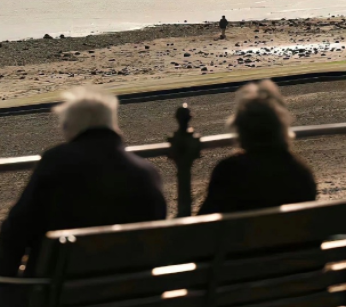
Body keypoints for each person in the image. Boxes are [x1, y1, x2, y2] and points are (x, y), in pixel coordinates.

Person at [0, 86, 167, 280]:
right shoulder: (147, 173)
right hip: (132, 293)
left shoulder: (57, 162)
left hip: (59, 293)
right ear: (112, 124)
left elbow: (16, 232)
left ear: (71, 126)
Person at [199, 80, 317, 215]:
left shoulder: (228, 172)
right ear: (281, 128)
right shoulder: (300, 172)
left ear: (241, 130)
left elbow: (200, 226)